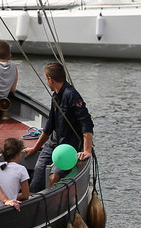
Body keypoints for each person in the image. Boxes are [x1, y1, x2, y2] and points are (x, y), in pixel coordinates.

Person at [30, 60, 95, 192]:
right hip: (53, 143)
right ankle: (33, 196)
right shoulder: (55, 95)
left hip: (68, 147)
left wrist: (87, 150)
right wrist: (35, 148)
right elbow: (49, 125)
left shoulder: (71, 95)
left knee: (54, 177)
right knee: (38, 174)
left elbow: (86, 122)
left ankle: (44, 201)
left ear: (50, 79)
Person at [0, 137, 32, 211]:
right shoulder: (21, 169)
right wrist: (13, 196)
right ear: (19, 154)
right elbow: (25, 196)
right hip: (3, 210)